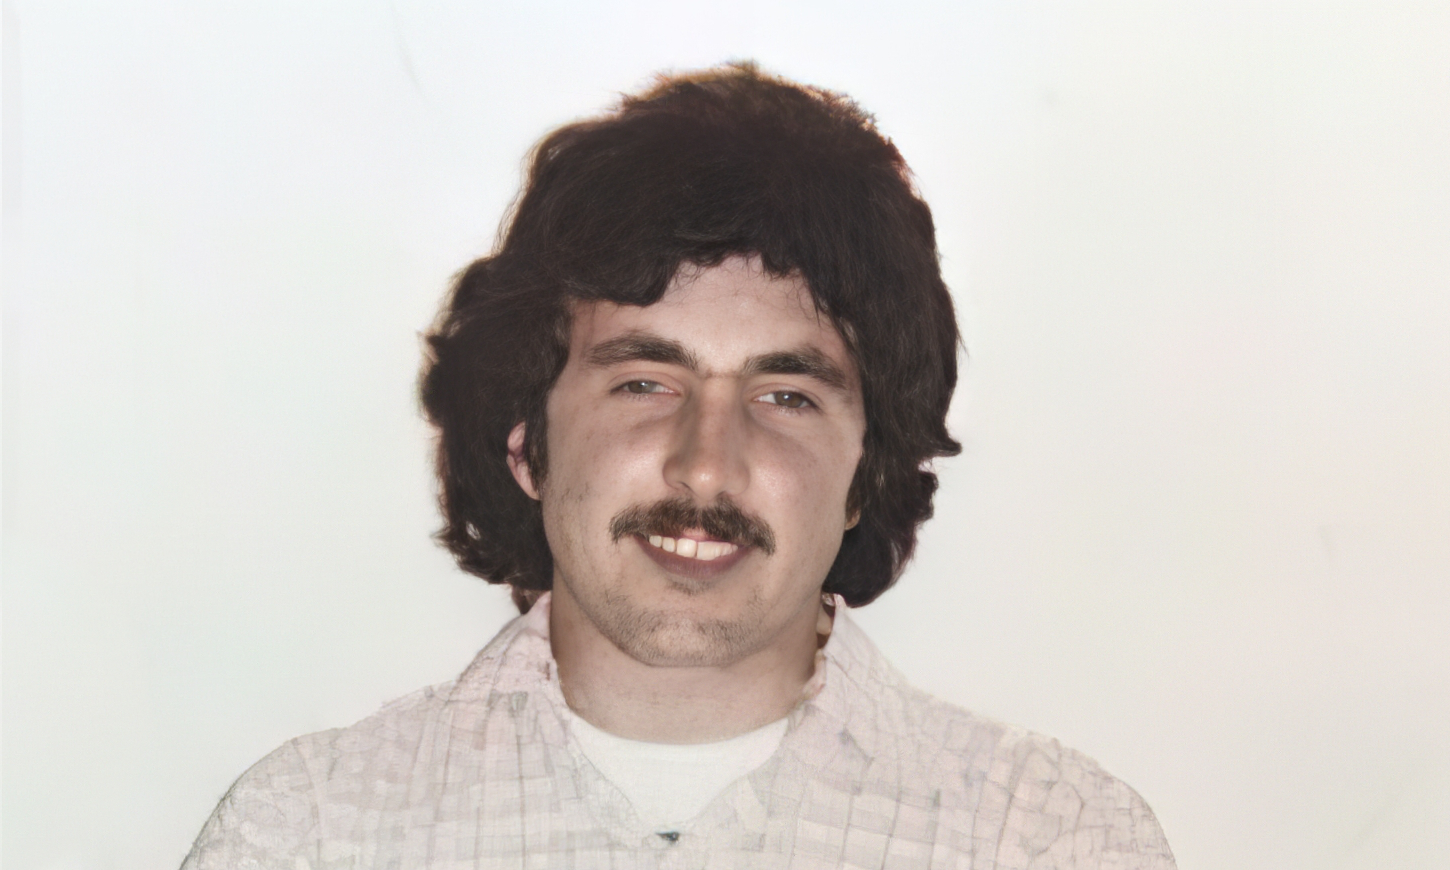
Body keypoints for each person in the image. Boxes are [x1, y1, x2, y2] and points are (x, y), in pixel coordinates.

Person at [182, 63, 1176, 869]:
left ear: (866, 473)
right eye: (645, 383)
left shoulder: (1050, 841)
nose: (707, 468)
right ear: (526, 442)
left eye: (784, 397)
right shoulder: (309, 835)